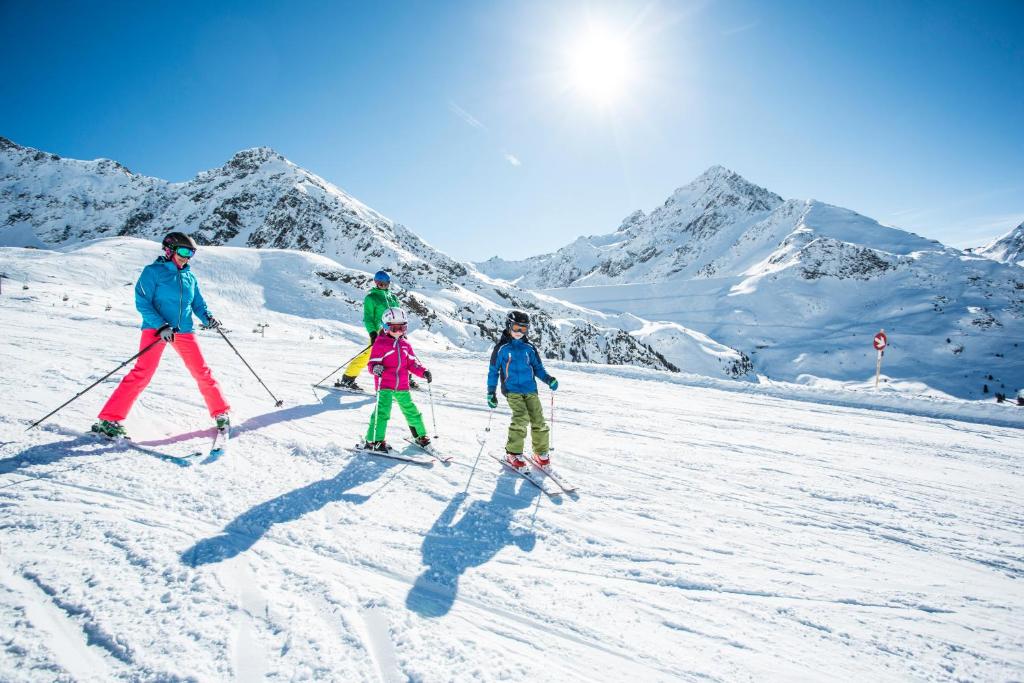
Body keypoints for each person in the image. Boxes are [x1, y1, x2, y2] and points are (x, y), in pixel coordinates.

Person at [91, 232, 230, 439]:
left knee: (201, 371)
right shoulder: (153, 272)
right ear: (170, 249)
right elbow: (143, 303)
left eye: (191, 252)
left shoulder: (190, 276)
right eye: (183, 251)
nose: (187, 256)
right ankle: (109, 420)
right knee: (142, 373)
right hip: (157, 330)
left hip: (183, 330)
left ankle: (221, 412)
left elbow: (198, 304)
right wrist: (161, 326)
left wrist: (208, 318)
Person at [486, 310, 558, 470]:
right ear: (509, 325)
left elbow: (538, 368)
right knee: (521, 417)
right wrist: (491, 392)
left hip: (530, 389)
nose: (519, 332)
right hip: (512, 390)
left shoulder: (529, 348)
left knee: (538, 419)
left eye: (523, 329)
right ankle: (512, 452)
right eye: (516, 328)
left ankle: (540, 452)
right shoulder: (501, 348)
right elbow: (493, 371)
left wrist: (548, 379)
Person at [362, 308, 433, 452]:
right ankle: (374, 440)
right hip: (385, 385)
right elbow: (372, 364)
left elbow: (412, 364)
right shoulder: (380, 344)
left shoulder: (406, 345)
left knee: (411, 410)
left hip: (402, 385)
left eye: (402, 328)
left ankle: (420, 436)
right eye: (395, 328)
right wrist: (376, 368)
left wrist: (423, 372)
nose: (399, 331)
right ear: (386, 327)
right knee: (382, 412)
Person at [335, 270, 401, 392]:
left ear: (388, 283)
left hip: (394, 331)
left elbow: (399, 314)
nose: (382, 286)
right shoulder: (371, 298)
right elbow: (368, 317)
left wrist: (401, 330)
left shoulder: (393, 297)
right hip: (379, 331)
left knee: (399, 353)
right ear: (375, 282)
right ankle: (347, 378)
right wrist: (373, 333)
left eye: (385, 283)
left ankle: (405, 378)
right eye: (379, 283)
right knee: (369, 355)